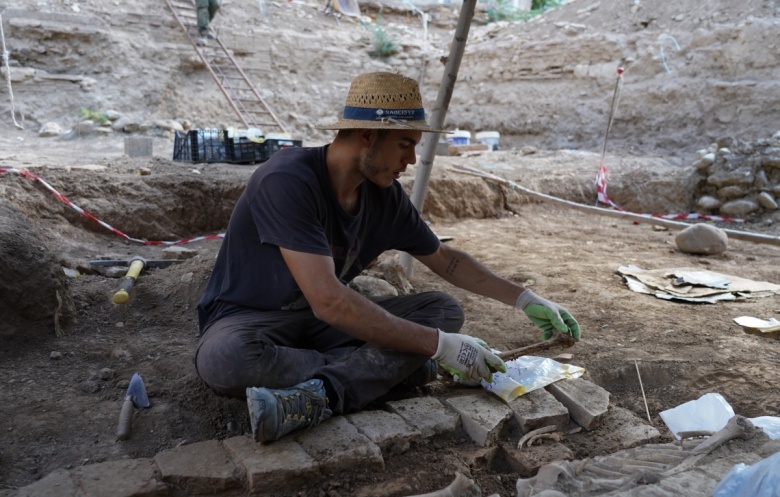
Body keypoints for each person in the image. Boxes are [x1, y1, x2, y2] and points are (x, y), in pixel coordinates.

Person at [195, 71, 581, 443]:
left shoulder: (384, 197)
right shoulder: (288, 179)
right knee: (225, 361)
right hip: (253, 321)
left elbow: (446, 259)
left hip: (321, 325)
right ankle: (380, 373)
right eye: (405, 144)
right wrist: (440, 347)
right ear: (368, 135)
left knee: (442, 310)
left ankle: (327, 390)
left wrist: (524, 298)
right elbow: (329, 300)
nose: (412, 159)